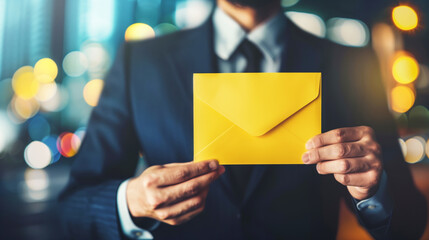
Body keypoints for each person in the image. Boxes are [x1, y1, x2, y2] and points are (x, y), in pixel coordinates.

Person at [59, 0, 427, 239]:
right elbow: (72, 208)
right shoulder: (139, 61)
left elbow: (409, 226)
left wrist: (373, 190)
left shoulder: (351, 64)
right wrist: (132, 202)